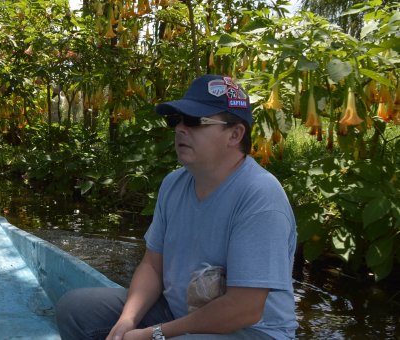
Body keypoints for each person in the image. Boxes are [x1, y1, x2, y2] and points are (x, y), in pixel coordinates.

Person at [56, 75, 298, 339]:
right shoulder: (174, 184)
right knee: (75, 309)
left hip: (250, 331)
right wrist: (128, 320)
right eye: (176, 120)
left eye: (194, 121)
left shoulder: (259, 196)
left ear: (235, 134)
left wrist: (154, 334)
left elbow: (244, 309)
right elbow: (152, 266)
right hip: (176, 312)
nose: (180, 128)